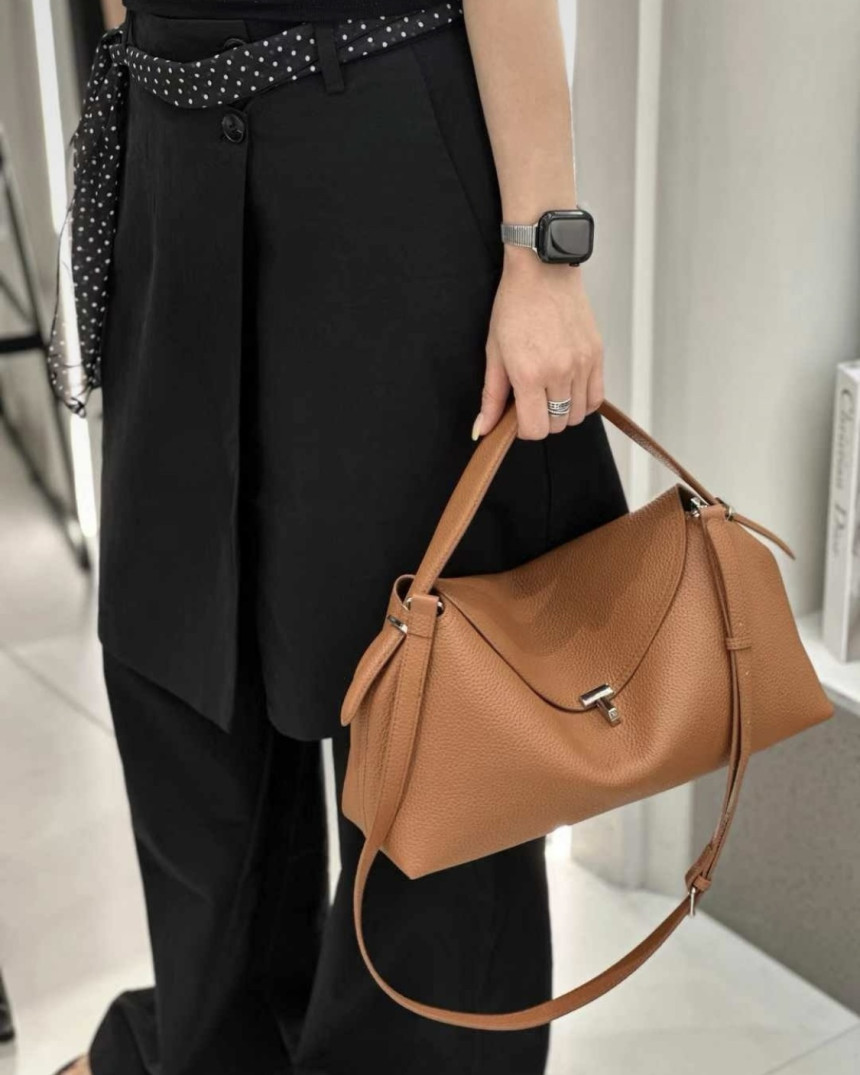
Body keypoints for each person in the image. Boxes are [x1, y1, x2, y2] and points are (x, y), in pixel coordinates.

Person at [51, 1, 629, 1072]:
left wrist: (544, 253)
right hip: (168, 142)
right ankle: (214, 1047)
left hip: (380, 147)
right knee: (183, 670)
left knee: (434, 711)